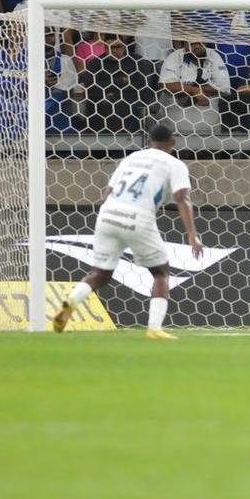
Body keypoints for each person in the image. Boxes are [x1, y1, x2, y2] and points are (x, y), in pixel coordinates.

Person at [52, 123, 203, 340]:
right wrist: (192, 235)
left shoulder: (131, 158)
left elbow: (107, 193)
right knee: (161, 273)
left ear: (148, 142)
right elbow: (181, 197)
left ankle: (72, 301)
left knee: (100, 273)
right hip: (138, 217)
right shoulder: (174, 163)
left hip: (108, 214)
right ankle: (154, 329)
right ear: (173, 142)